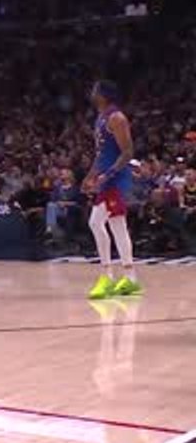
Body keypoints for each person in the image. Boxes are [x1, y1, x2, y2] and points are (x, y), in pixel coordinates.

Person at [85, 80, 142, 299]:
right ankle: (130, 278)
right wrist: (90, 175)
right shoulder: (101, 118)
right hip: (106, 178)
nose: (91, 92)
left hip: (115, 179)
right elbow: (102, 154)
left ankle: (107, 277)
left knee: (95, 222)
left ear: (103, 95)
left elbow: (128, 152)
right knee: (118, 226)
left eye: (95, 89)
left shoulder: (117, 118)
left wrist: (107, 175)